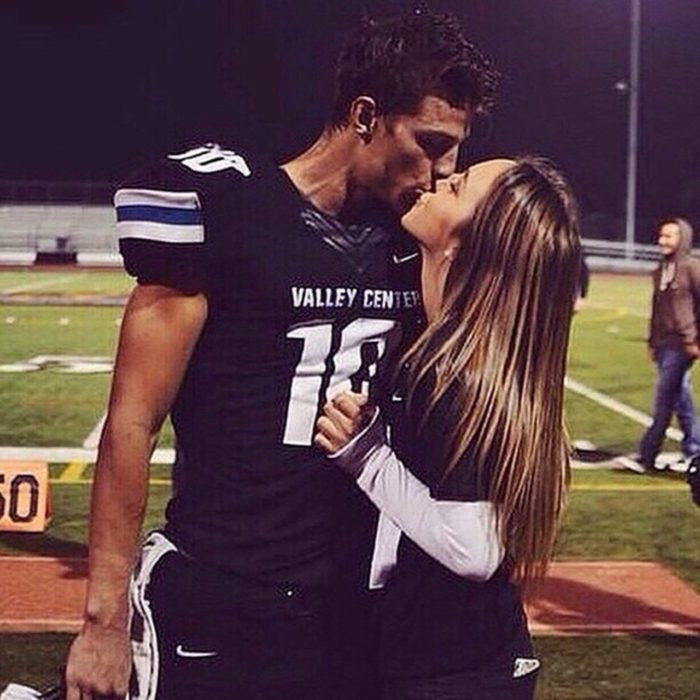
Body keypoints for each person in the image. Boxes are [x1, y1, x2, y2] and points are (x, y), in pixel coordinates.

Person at [64, 10, 497, 700]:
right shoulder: (227, 208)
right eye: (430, 142)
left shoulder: (414, 240)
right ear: (364, 115)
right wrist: (103, 618)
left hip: (355, 608)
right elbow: (132, 422)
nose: (444, 170)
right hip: (220, 590)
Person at [315, 157, 582, 700]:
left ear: (466, 245)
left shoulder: (452, 369)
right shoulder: (464, 351)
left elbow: (473, 551)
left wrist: (367, 458)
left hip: (452, 671)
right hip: (461, 659)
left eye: (455, 188)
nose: (438, 181)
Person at [637, 218, 700, 472]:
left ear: (682, 238)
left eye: (669, 236)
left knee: (664, 400)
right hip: (663, 345)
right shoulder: (660, 269)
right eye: (661, 236)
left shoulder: (692, 268)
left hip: (682, 345)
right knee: (680, 400)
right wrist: (652, 340)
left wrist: (695, 340)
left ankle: (647, 453)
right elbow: (657, 308)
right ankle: (694, 449)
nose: (663, 241)